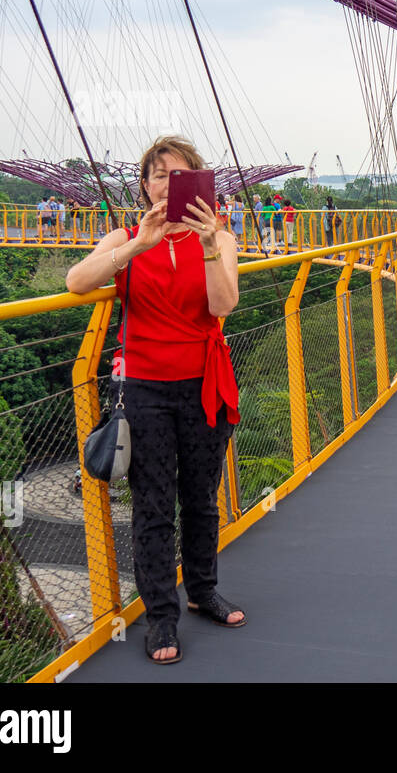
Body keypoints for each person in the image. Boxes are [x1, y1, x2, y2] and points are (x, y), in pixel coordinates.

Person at [64, 134, 244, 665]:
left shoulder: (220, 239)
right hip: (144, 390)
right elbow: (77, 281)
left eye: (181, 174)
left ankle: (203, 591)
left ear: (199, 183)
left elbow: (223, 303)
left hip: (202, 384)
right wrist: (137, 246)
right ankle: (161, 615)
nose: (169, 184)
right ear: (144, 185)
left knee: (201, 497)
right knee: (152, 506)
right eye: (160, 175)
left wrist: (210, 244)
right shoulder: (126, 236)